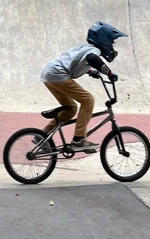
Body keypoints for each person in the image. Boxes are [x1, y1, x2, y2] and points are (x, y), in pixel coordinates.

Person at [40, 22, 126, 152]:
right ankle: (79, 139)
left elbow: (74, 62)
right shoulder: (94, 51)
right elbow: (92, 58)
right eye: (111, 42)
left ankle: (43, 135)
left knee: (71, 109)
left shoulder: (83, 48)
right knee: (88, 100)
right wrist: (109, 73)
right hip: (58, 75)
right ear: (104, 40)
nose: (112, 46)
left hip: (48, 75)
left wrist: (90, 71)